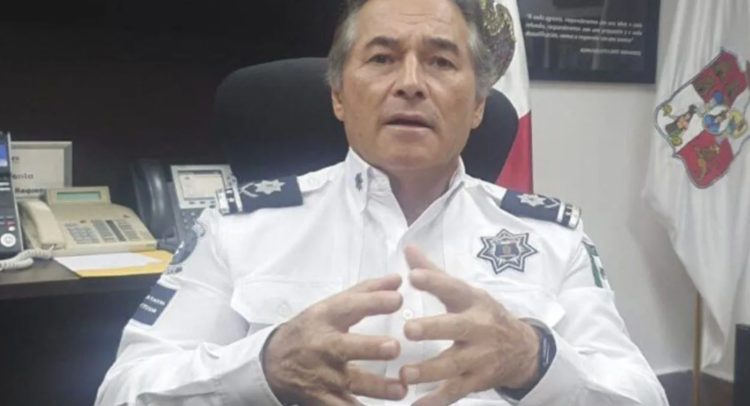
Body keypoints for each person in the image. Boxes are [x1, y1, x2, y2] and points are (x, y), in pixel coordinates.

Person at [96, 0, 669, 404]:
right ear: (339, 95)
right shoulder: (239, 226)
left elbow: (640, 395)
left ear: (477, 105)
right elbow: (124, 390)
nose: (411, 83)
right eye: (381, 58)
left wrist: (533, 358)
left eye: (441, 61)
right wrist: (262, 365)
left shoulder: (553, 237)